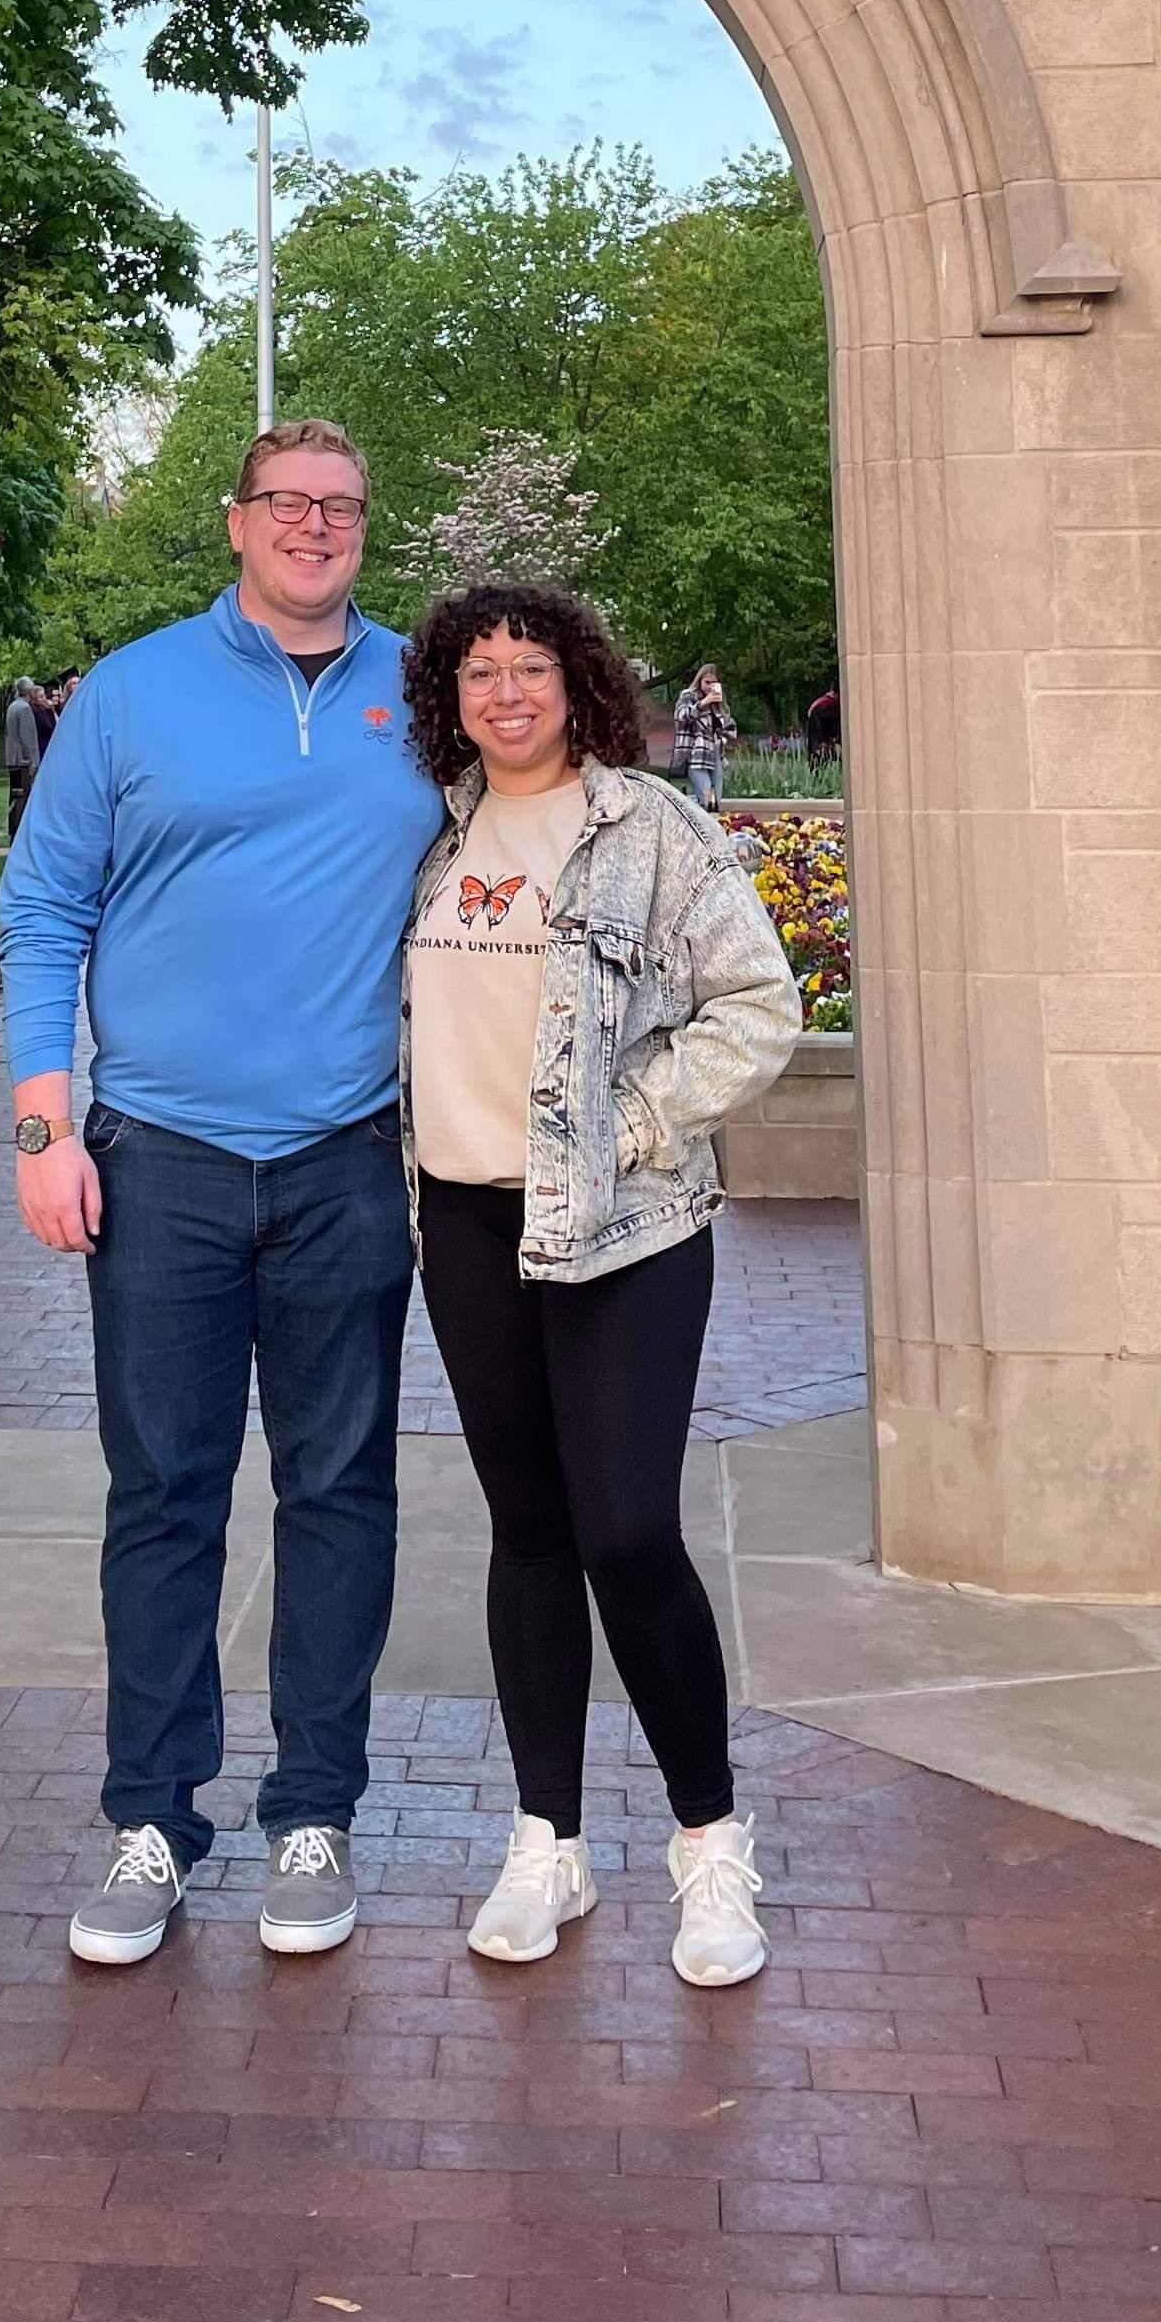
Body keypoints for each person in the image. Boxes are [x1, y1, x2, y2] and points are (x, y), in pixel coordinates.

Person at [0, 422, 446, 1968]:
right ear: (237, 520)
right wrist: (43, 1129)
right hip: (161, 1162)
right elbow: (44, 902)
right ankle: (150, 1819)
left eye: (344, 505)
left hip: (342, 1159)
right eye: (290, 504)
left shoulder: (425, 691)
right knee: (166, 1493)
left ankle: (314, 1807)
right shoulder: (131, 691)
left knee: (339, 1494)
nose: (317, 527)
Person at [397, 580, 802, 1987]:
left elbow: (761, 1006)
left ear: (581, 684)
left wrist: (630, 1123)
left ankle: (708, 1845)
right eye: (479, 673)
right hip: (463, 1222)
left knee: (628, 1532)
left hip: (625, 1232)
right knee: (526, 1531)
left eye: (532, 669)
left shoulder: (656, 833)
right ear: (449, 698)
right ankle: (547, 1841)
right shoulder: (436, 844)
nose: (507, 693)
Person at [672, 662, 735, 815]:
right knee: (707, 799)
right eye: (707, 682)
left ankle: (705, 825)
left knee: (716, 802)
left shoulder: (718, 703)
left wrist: (724, 736)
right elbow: (681, 717)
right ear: (699, 680)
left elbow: (729, 726)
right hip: (696, 756)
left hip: (715, 755)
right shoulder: (689, 695)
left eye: (714, 683)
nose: (710, 687)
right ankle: (690, 818)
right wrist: (703, 704)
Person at [0, 677, 46, 835]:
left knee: (14, 794)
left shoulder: (13, 706)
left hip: (13, 758)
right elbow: (28, 738)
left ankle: (14, 828)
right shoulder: (24, 708)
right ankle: (21, 829)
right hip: (22, 760)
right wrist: (34, 761)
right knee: (22, 796)